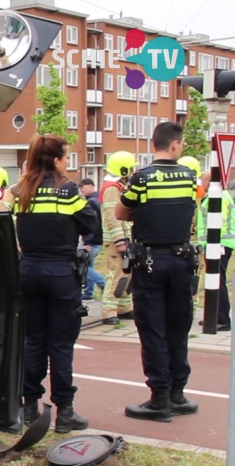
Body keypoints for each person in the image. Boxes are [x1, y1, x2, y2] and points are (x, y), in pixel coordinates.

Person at [116, 122, 200, 422]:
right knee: (179, 328)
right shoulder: (190, 177)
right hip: (182, 261)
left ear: (156, 144)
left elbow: (120, 212)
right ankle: (178, 394)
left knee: (153, 330)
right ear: (174, 144)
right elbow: (192, 206)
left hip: (151, 263)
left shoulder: (142, 179)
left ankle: (159, 399)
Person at [14, 135, 98, 433]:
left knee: (33, 341)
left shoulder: (22, 190)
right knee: (61, 344)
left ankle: (27, 407)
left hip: (29, 271)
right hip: (61, 273)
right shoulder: (68, 190)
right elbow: (91, 223)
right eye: (66, 156)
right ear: (58, 160)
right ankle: (65, 412)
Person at [99, 151, 137, 326]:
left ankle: (124, 308)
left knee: (125, 274)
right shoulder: (112, 189)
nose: (133, 170)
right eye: (130, 168)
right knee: (115, 275)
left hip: (123, 238)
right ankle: (109, 312)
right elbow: (111, 215)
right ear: (123, 170)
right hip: (116, 241)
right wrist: (120, 240)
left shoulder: (120, 187)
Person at [196, 177, 235, 330]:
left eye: (203, 181)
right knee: (215, 281)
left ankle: (222, 319)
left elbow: (218, 223)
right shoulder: (219, 195)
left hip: (219, 245)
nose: (201, 184)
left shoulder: (217, 197)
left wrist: (213, 245)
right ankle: (214, 316)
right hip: (220, 244)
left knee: (217, 281)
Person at [79, 178, 105, 301]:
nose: (81, 190)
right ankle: (88, 293)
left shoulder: (91, 202)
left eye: (83, 187)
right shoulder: (99, 199)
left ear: (90, 186)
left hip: (93, 240)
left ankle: (103, 283)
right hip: (99, 238)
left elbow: (92, 224)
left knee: (84, 267)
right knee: (89, 265)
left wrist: (87, 241)